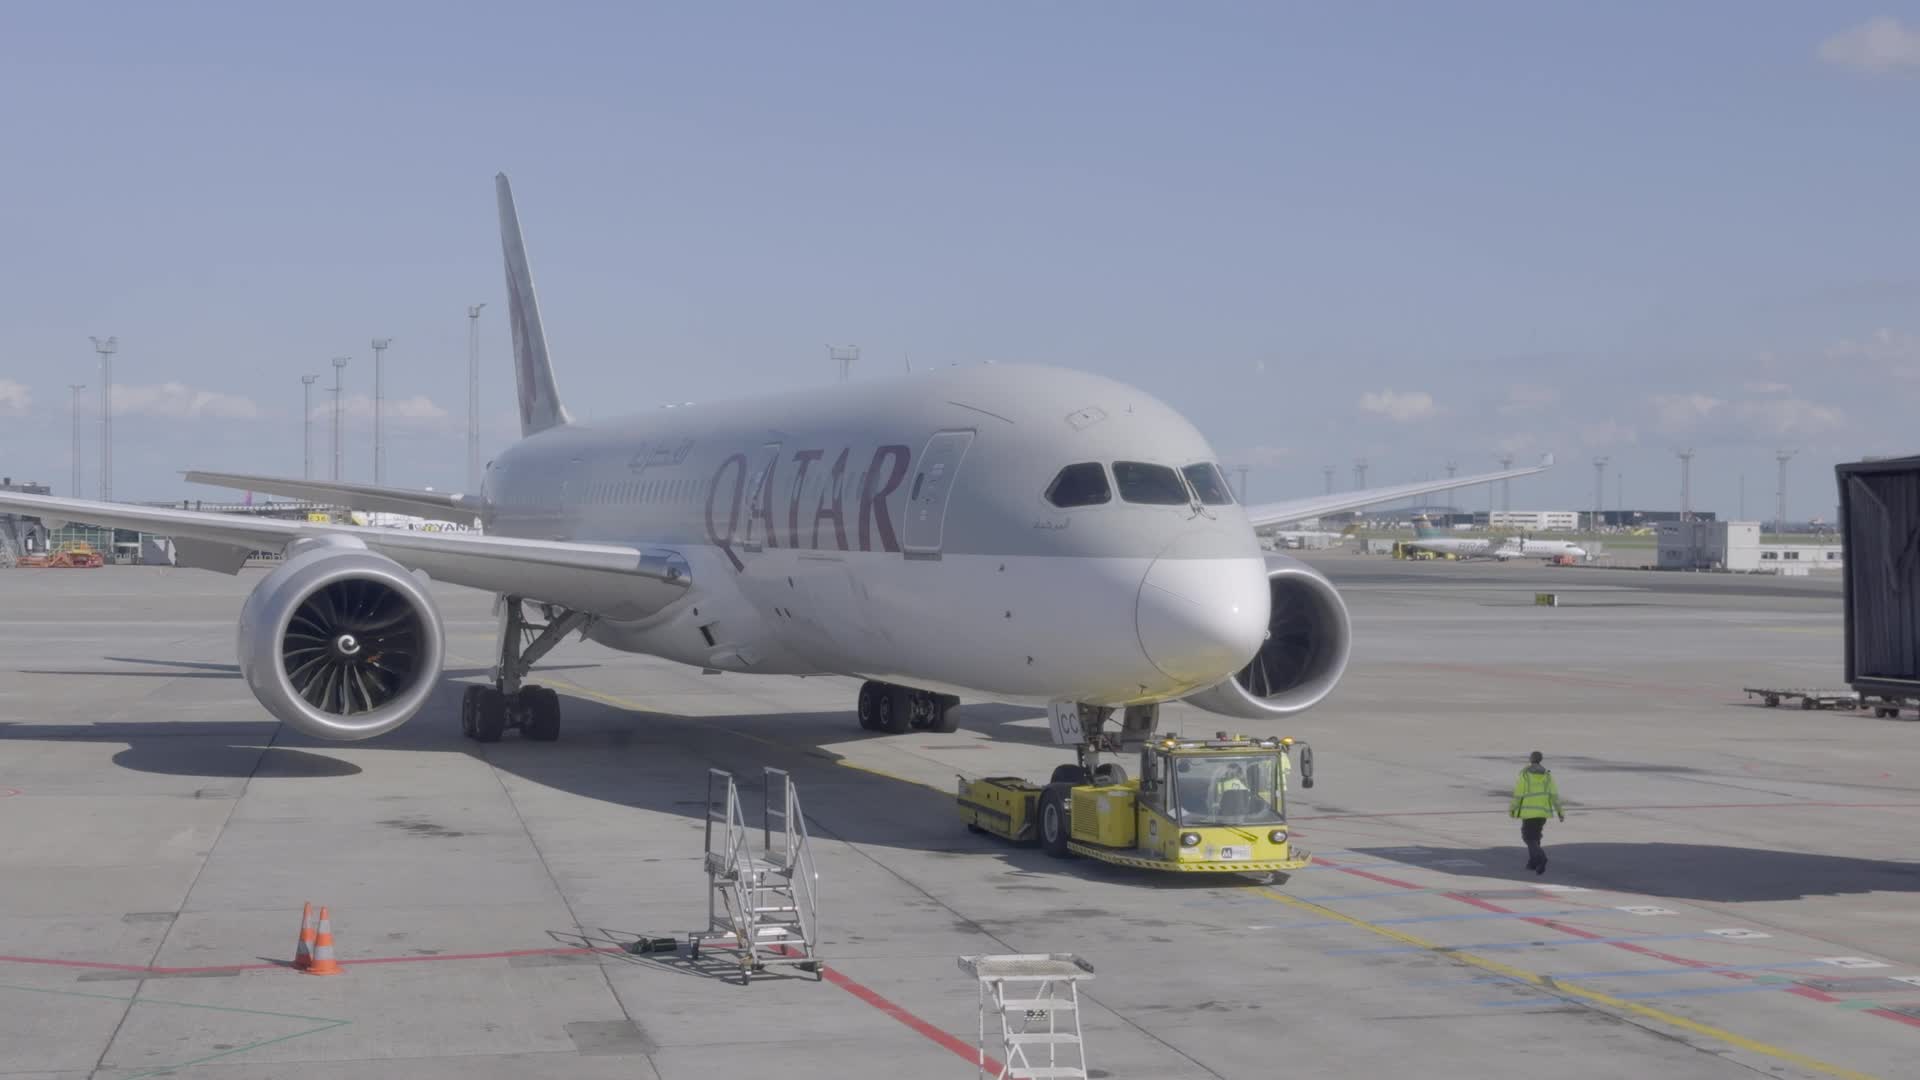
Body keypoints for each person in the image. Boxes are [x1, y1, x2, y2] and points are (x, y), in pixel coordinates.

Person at [1509, 751, 1564, 874]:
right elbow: (1554, 795)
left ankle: (1541, 858)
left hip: (1529, 813)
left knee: (1528, 837)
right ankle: (1533, 862)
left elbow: (1519, 794)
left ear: (1531, 759)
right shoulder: (1547, 775)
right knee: (1535, 837)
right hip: (1542, 813)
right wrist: (1560, 812)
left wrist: (1512, 808)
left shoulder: (1525, 774)